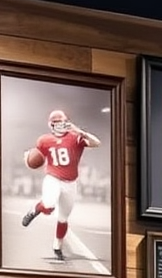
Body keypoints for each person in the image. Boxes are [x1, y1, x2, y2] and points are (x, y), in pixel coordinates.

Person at [20, 108, 102, 262]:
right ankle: (35, 210)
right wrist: (27, 158)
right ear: (51, 125)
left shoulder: (75, 137)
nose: (60, 124)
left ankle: (57, 246)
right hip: (53, 178)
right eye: (57, 122)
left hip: (71, 183)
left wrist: (80, 131)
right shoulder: (44, 140)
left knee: (63, 218)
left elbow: (97, 143)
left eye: (62, 121)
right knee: (49, 204)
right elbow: (35, 158)